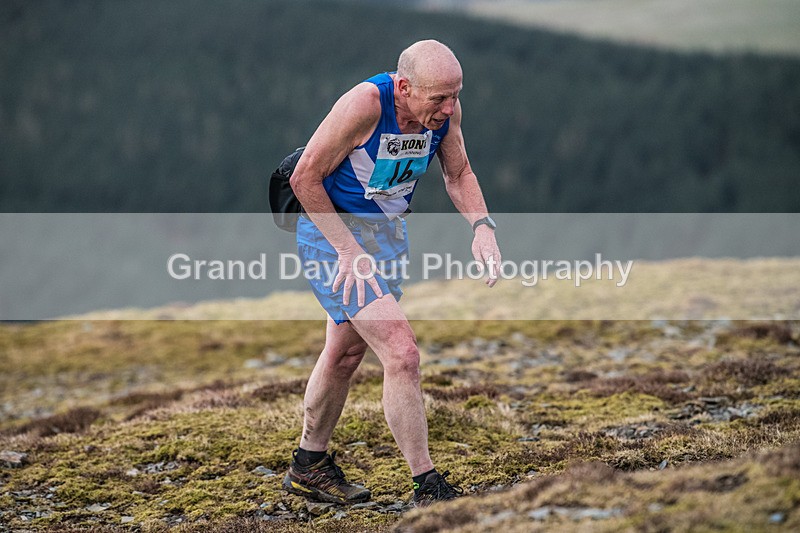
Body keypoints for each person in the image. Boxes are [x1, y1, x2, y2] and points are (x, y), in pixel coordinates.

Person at [282, 39, 501, 507]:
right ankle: (427, 485)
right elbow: (304, 178)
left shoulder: (443, 115)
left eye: (456, 95)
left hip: (386, 236)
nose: (449, 107)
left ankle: (308, 465)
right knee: (402, 352)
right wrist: (346, 251)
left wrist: (481, 227)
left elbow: (458, 174)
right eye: (438, 98)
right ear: (403, 87)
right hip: (332, 233)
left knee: (343, 353)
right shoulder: (364, 105)